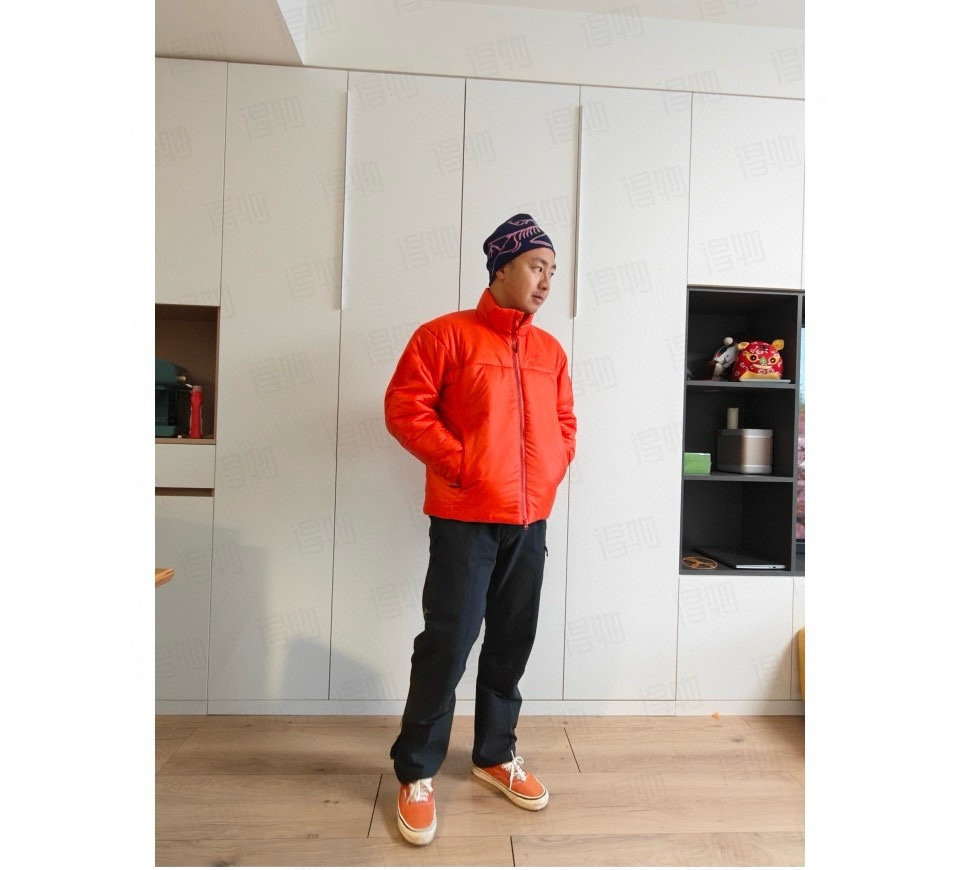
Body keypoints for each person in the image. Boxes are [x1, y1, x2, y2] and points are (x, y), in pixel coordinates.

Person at [383, 213, 577, 845]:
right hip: (465, 518)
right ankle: (416, 770)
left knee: (512, 640)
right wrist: (464, 464)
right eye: (537, 267)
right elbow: (404, 409)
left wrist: (549, 471)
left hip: (529, 520)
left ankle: (496, 753)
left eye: (552, 271)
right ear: (501, 268)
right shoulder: (443, 336)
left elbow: (565, 422)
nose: (546, 282)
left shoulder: (550, 352)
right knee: (448, 641)